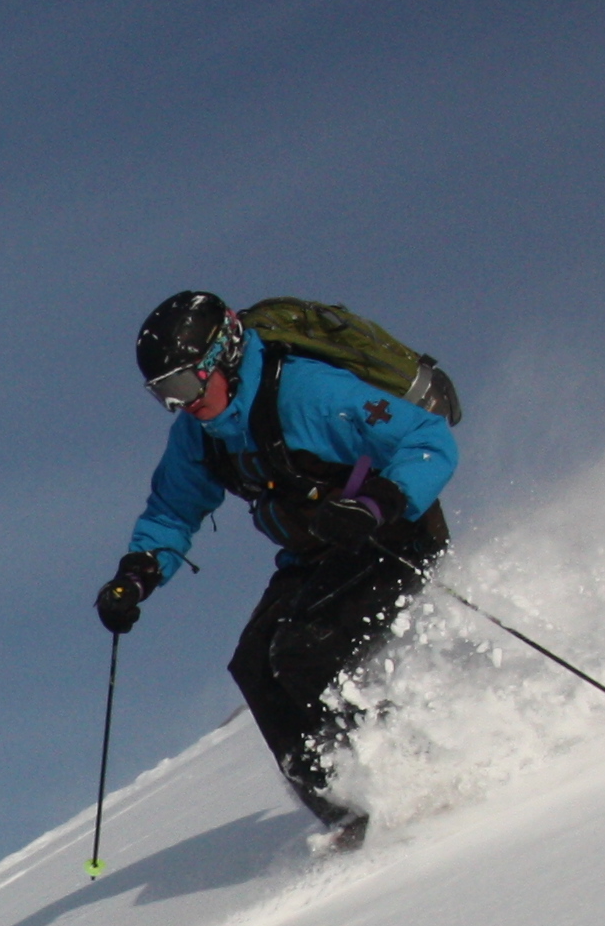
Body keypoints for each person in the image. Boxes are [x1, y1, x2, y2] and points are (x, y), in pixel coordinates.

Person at [93, 290, 457, 847]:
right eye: (164, 394)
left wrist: (376, 503)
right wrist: (138, 573)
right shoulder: (200, 435)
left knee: (305, 654)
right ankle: (345, 815)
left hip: (391, 535)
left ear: (224, 355)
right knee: (254, 667)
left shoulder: (310, 393)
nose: (181, 404)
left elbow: (428, 440)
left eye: (186, 385)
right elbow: (173, 508)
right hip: (315, 554)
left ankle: (417, 776)